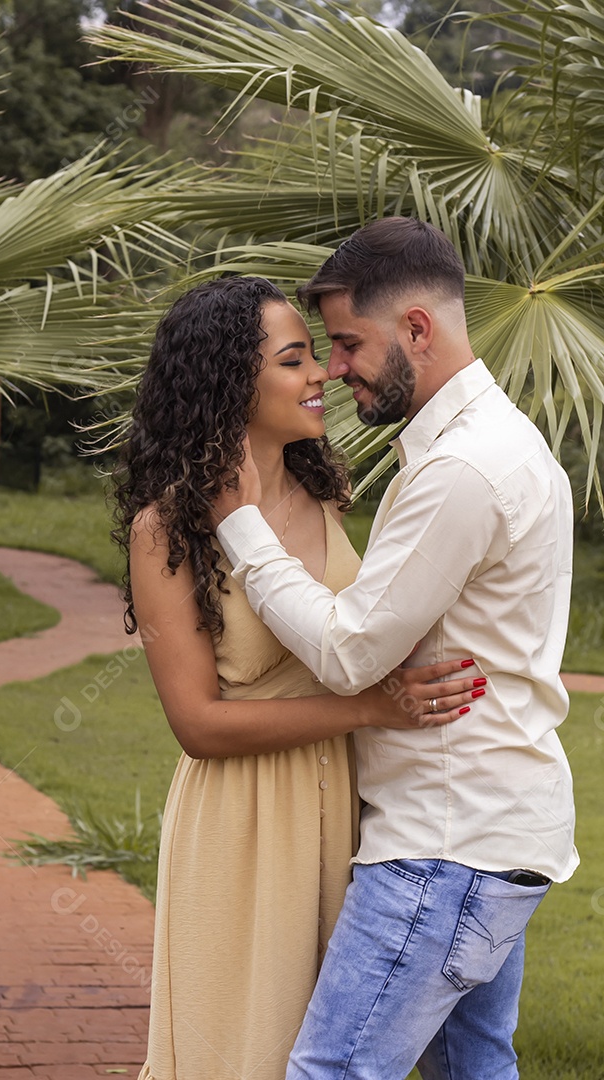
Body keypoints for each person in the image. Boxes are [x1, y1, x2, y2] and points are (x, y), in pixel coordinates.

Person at [213, 220, 579, 1080]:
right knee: (473, 1069)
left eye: (348, 343)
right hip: (495, 836)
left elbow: (349, 653)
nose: (335, 370)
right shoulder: (506, 445)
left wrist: (240, 521)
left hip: (443, 845)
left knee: (331, 1070)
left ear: (417, 328)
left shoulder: (463, 469)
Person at [112, 275, 485, 1080]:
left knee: (336, 1051)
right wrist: (366, 711)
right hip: (242, 824)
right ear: (228, 381)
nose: (321, 374)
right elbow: (198, 725)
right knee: (243, 1049)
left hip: (347, 813)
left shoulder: (326, 495)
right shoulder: (167, 528)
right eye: (294, 359)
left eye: (317, 355)